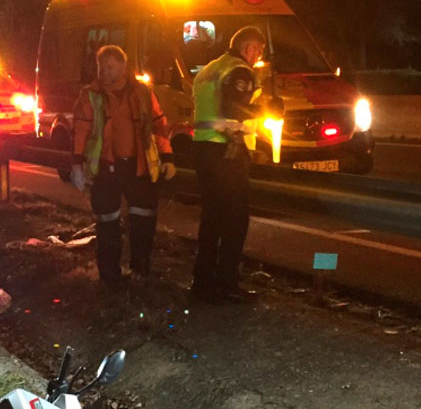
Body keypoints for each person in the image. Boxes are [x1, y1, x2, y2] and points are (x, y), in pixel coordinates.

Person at [67, 45, 175, 286]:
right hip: (106, 169)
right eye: (100, 67)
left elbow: (159, 126)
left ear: (123, 68)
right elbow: (80, 132)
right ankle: (110, 277)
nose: (103, 72)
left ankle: (141, 268)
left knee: (144, 220)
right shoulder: (90, 95)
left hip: (139, 168)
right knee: (107, 224)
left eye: (109, 67)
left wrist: (167, 157)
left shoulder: (143, 93)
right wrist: (76, 164)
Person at [189, 25, 273, 303]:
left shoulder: (209, 69)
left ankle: (202, 283)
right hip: (228, 151)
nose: (258, 56)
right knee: (235, 220)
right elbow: (234, 109)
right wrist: (269, 109)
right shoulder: (239, 70)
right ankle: (226, 284)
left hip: (204, 149)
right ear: (248, 48)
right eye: (258, 50)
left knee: (212, 218)